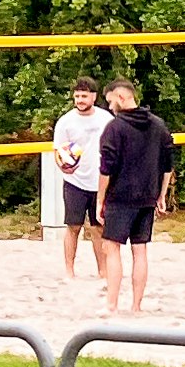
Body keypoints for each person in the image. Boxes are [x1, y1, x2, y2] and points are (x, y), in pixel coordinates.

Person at [94, 79, 174, 315]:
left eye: (111, 102)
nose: (110, 108)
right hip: (147, 197)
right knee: (140, 251)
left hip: (121, 197)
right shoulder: (158, 125)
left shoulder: (115, 128)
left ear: (121, 97)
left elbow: (106, 169)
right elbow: (168, 165)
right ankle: (136, 306)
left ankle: (112, 304)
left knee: (112, 248)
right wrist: (161, 195)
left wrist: (100, 199)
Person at [51, 76, 113, 280]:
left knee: (98, 228)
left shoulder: (106, 119)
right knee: (73, 227)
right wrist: (63, 166)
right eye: (77, 96)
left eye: (84, 96)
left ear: (93, 97)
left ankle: (103, 271)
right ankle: (69, 271)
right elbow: (58, 151)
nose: (80, 100)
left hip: (101, 182)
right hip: (75, 182)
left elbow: (116, 147)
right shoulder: (65, 122)